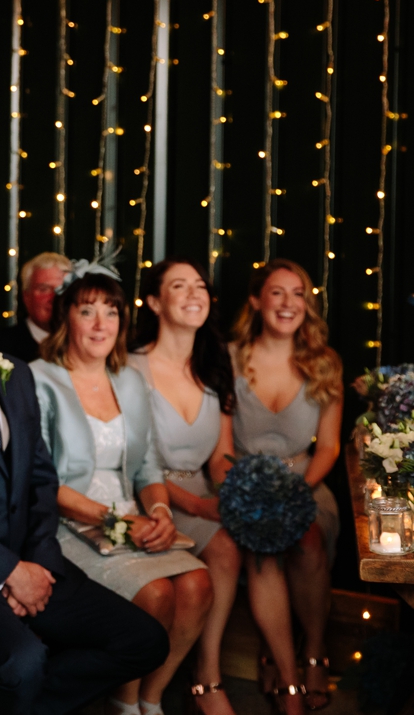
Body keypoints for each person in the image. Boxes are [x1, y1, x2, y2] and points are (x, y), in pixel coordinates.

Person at [0, 241, 169, 715]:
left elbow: (41, 479)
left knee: (144, 640)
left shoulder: (15, 375)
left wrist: (39, 562)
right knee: (22, 660)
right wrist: (7, 573)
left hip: (34, 559)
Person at [32, 260, 212, 715]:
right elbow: (42, 481)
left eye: (111, 311)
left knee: (197, 583)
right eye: (87, 310)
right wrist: (115, 520)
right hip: (69, 520)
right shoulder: (38, 378)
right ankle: (124, 704)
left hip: (133, 513)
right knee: (156, 595)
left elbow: (148, 467)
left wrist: (161, 514)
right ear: (65, 315)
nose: (100, 324)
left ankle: (150, 699)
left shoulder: (130, 380)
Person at [223, 261, 342, 715]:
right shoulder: (230, 358)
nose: (289, 304)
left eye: (299, 294)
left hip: (306, 480)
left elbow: (328, 447)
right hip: (244, 483)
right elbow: (220, 443)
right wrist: (249, 492)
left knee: (308, 538)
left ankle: (314, 651)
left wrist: (295, 491)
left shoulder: (324, 362)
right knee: (262, 545)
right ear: (256, 300)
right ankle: (279, 661)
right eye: (277, 293)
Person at [130, 260, 239, 715]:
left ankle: (206, 674)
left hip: (202, 492)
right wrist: (195, 504)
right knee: (206, 564)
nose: (194, 293)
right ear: (155, 302)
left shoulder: (215, 363)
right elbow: (136, 460)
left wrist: (236, 494)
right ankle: (170, 689)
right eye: (179, 286)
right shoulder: (133, 367)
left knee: (232, 546)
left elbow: (222, 454)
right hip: (148, 493)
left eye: (200, 285)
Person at [0, 251, 71, 362]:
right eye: (44, 289)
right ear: (26, 296)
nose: (55, 298)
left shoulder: (86, 345)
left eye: (61, 290)